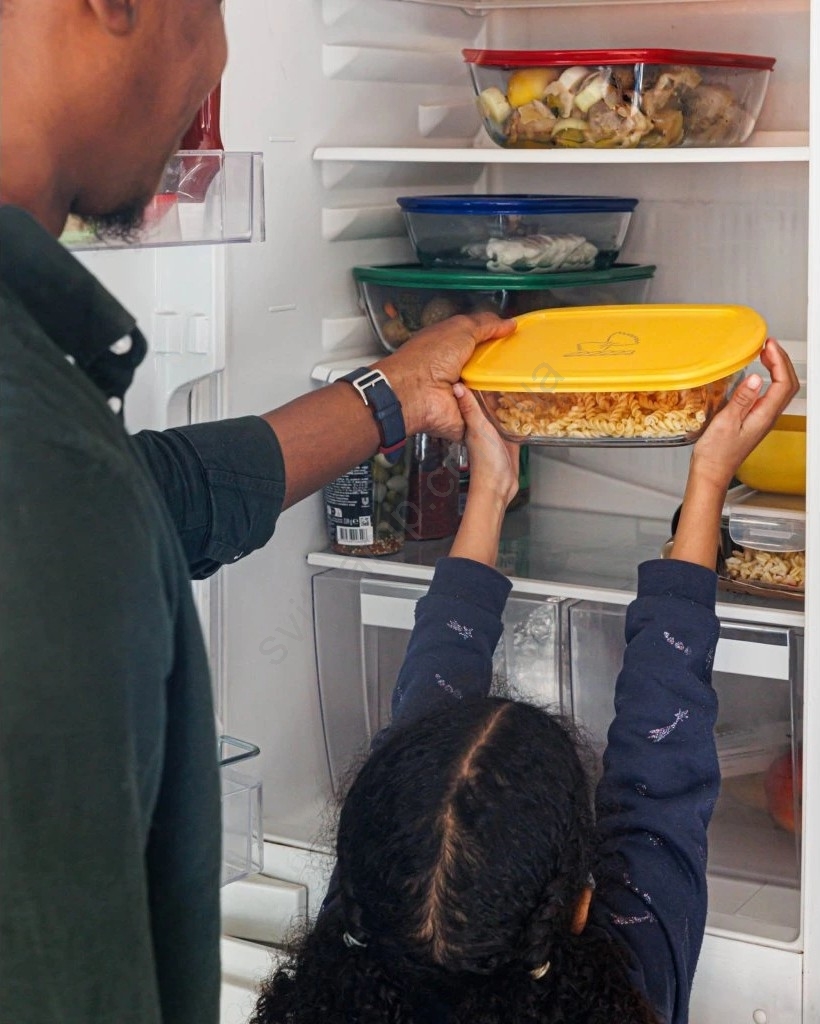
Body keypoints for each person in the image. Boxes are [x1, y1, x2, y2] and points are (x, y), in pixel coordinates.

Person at [0, 3, 515, 1023]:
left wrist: (392, 393)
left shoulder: (52, 453)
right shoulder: (37, 456)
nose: (222, 62)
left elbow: (145, 499)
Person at [249, 339, 799, 1024]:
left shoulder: (346, 970)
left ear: (358, 869)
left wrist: (489, 487)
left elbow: (658, 778)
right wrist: (710, 477)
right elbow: (654, 773)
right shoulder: (633, 980)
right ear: (578, 907)